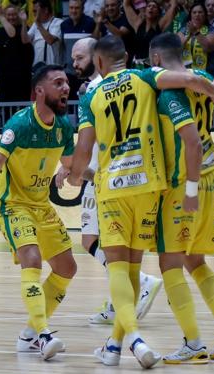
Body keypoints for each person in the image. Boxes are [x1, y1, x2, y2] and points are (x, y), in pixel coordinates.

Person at [67, 35, 214, 369]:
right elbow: (190, 79)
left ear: (99, 63)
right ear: (128, 57)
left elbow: (82, 151)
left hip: (113, 188)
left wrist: (74, 175)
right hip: (150, 185)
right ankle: (113, 346)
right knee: (134, 266)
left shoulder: (91, 96)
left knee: (119, 267)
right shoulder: (146, 77)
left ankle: (133, 338)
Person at [0, 64, 77, 361]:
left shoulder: (65, 126)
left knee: (67, 268)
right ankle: (43, 335)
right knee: (32, 258)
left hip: (40, 204)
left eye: (67, 83)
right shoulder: (20, 124)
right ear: (40, 91)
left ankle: (28, 335)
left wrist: (75, 174)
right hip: (11, 203)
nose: (66, 88)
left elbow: (70, 165)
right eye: (58, 83)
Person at [149, 32, 214, 364]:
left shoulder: (169, 93)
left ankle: (192, 343)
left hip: (181, 186)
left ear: (157, 59)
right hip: (210, 181)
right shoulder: (204, 79)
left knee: (169, 263)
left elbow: (189, 140)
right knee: (196, 262)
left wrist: (187, 188)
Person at [71, 37, 163, 325]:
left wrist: (75, 170)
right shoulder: (134, 79)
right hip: (129, 174)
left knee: (95, 241)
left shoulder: (96, 91)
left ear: (97, 59)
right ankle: (118, 305)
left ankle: (136, 292)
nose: (76, 63)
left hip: (104, 174)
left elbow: (90, 140)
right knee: (111, 244)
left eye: (80, 58)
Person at [0, 4, 33, 102]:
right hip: (4, 77)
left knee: (22, 106)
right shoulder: (0, 31)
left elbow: (13, 34)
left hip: (22, 77)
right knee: (6, 109)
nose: (11, 17)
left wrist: (3, 17)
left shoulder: (23, 28)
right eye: (9, 15)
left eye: (14, 14)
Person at [123, 0, 176, 67]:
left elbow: (173, 5)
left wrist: (161, 1)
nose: (151, 8)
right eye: (149, 6)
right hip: (137, 65)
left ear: (158, 13)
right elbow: (126, 4)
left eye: (154, 7)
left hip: (153, 65)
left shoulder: (160, 25)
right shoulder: (137, 24)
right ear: (145, 11)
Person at [177, 2, 214, 76]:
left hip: (208, 70)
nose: (197, 15)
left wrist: (196, 32)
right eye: (194, 12)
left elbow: (208, 48)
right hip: (186, 70)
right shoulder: (183, 29)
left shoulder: (211, 30)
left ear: (205, 15)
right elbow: (176, 48)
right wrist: (189, 35)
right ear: (190, 15)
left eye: (200, 12)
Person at [27, 0, 63, 65]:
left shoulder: (58, 22)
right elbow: (25, 40)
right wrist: (23, 22)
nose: (34, 14)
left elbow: (50, 40)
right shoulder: (35, 24)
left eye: (35, 11)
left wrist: (38, 24)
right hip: (37, 68)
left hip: (53, 68)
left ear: (46, 10)